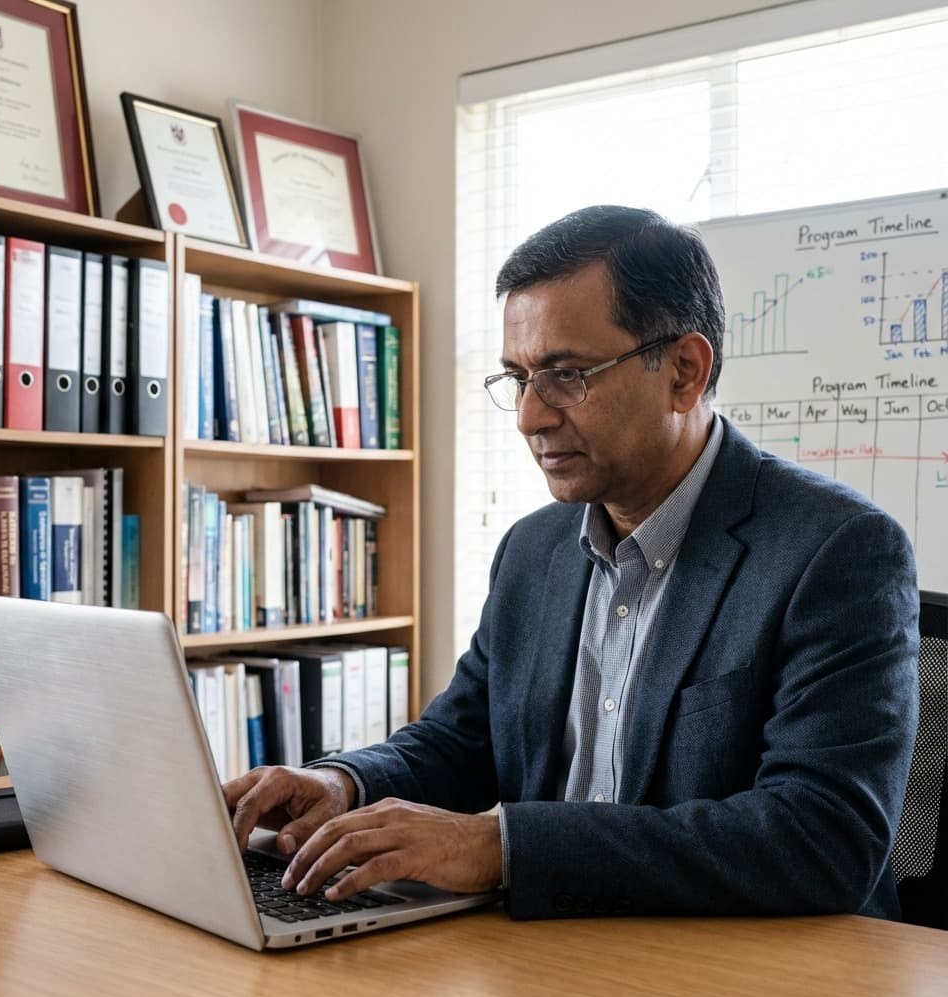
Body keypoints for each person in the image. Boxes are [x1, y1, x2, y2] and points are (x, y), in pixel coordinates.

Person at [224, 205, 919, 920]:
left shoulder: (838, 551)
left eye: (565, 374)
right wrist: (345, 783)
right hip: (560, 951)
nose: (530, 415)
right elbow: (462, 740)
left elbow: (822, 838)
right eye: (517, 378)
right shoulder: (534, 550)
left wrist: (502, 846)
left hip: (761, 972)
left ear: (684, 371)